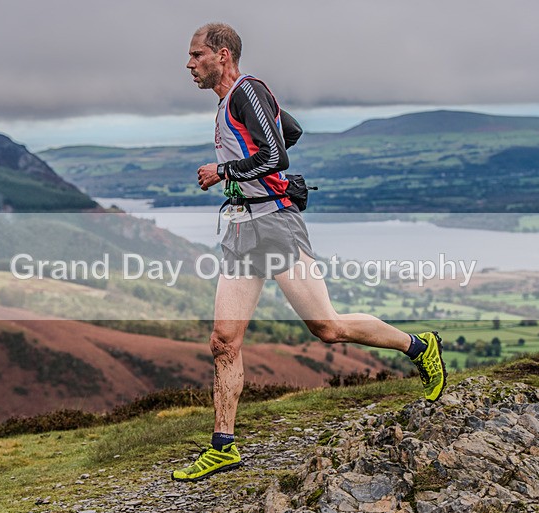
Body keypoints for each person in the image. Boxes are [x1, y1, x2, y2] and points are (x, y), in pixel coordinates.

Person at [171, 23, 446, 483]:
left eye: (196, 55)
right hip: (242, 226)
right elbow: (290, 130)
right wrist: (243, 177)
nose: (189, 63)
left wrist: (224, 170)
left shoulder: (247, 90)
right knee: (223, 341)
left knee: (326, 326)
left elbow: (278, 154)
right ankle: (223, 446)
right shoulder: (234, 102)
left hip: (275, 224)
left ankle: (419, 346)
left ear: (222, 55)